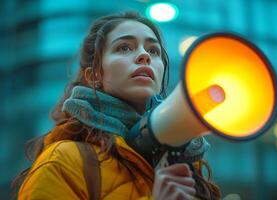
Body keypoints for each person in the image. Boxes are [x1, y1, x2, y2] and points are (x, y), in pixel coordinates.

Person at [13, 12, 221, 200]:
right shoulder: (63, 161)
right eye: (124, 48)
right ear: (94, 75)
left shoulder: (187, 166)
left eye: (153, 50)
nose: (144, 56)